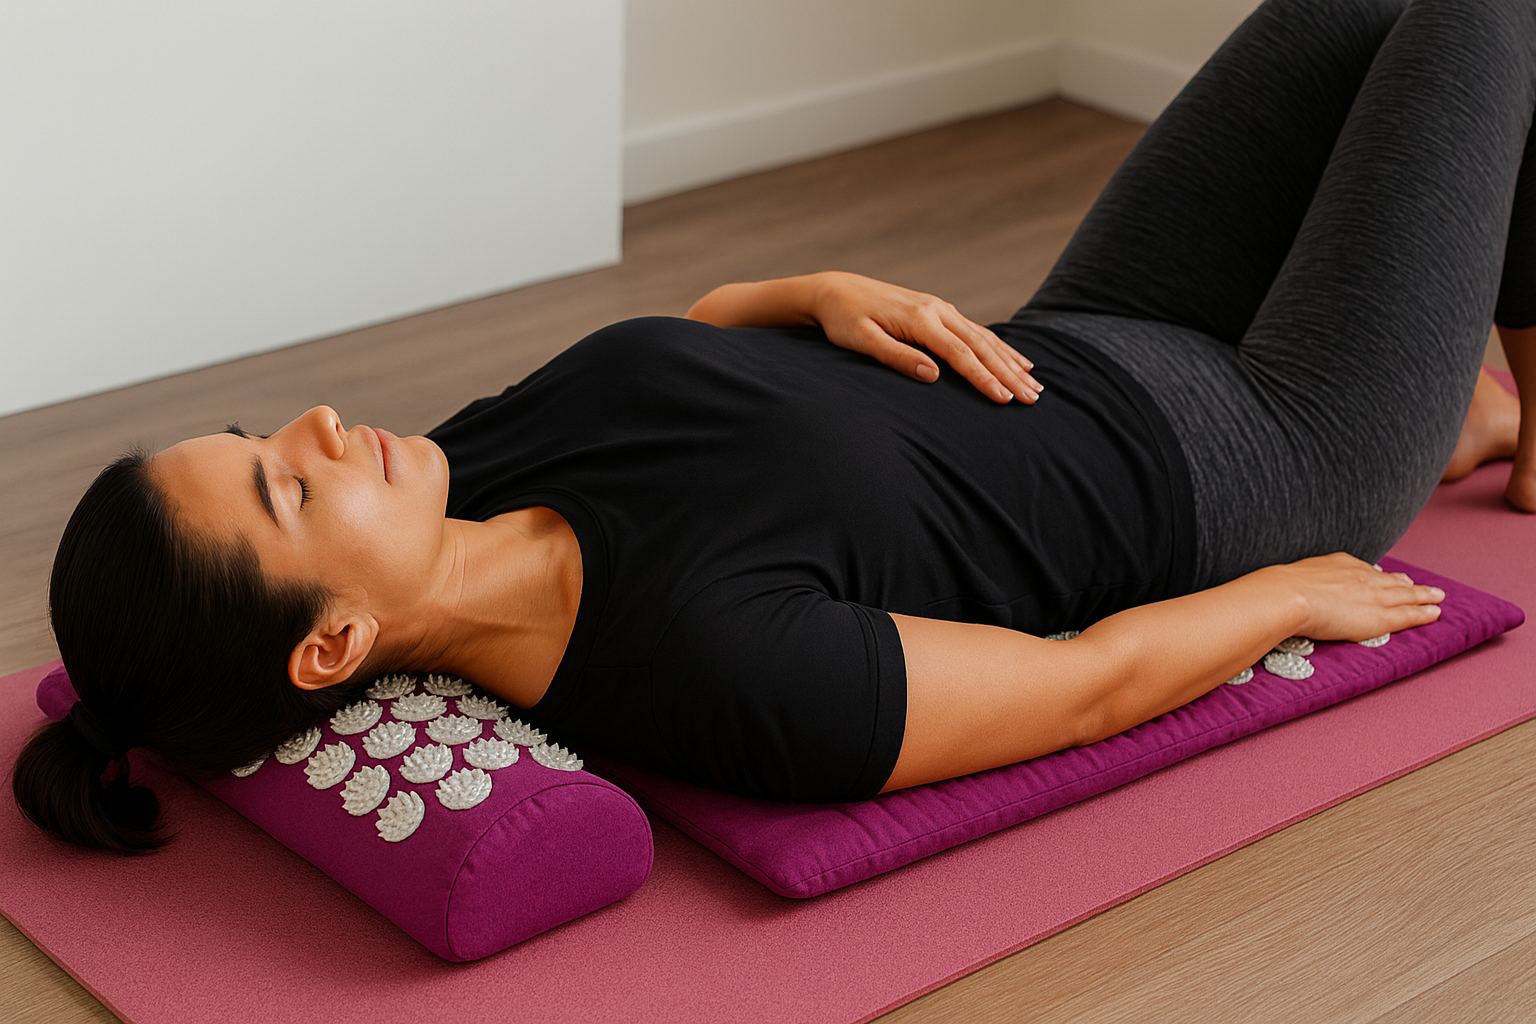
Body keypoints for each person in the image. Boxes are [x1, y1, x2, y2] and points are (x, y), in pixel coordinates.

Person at [13, 0, 1535, 853]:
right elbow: (1082, 689)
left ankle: (1476, 416)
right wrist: (1289, 594)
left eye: (260, 436)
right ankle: (1463, 422)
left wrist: (803, 292)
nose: (319, 424)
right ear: (333, 644)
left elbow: (682, 361)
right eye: (284, 490)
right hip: (1269, 449)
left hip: (1086, 322)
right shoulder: (706, 672)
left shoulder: (463, 472)